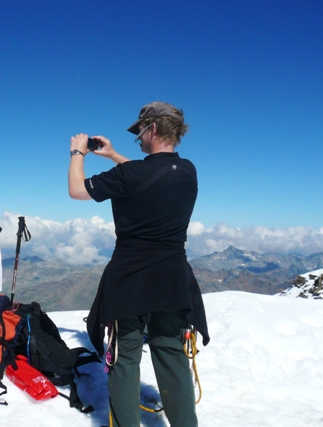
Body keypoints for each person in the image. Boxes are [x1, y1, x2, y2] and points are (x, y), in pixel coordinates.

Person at [68, 101, 210, 427]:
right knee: (172, 357)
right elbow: (149, 174)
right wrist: (115, 155)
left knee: (125, 358)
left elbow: (77, 190)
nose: (139, 139)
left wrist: (79, 153)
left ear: (153, 129)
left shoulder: (131, 174)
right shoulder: (188, 171)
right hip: (173, 279)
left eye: (140, 133)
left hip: (130, 280)